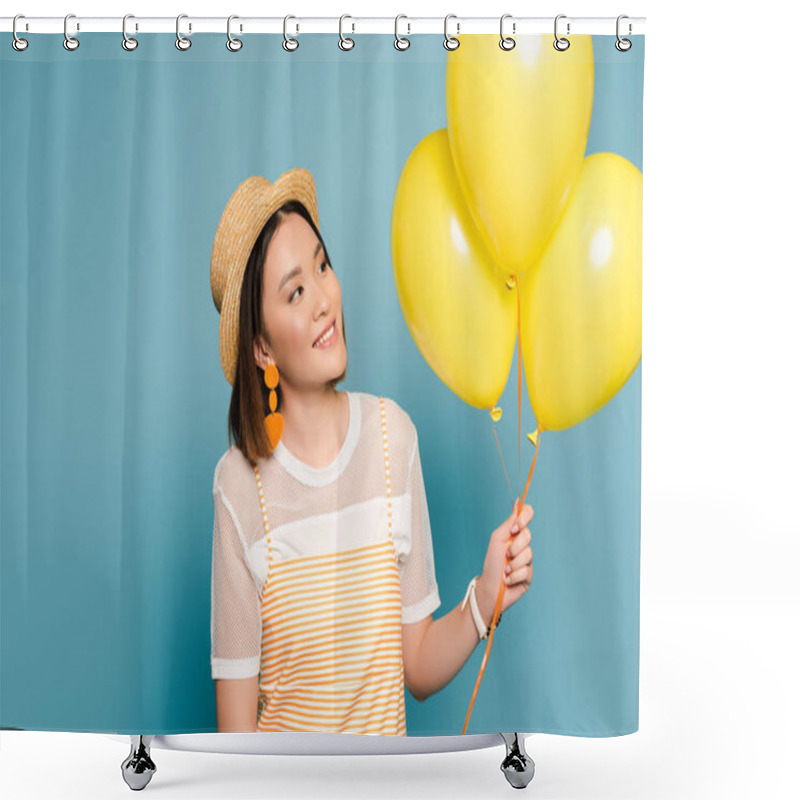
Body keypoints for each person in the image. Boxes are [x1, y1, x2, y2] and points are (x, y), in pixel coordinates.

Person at [208, 169, 533, 734]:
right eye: (295, 291)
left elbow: (417, 667)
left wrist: (485, 596)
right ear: (261, 347)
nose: (324, 299)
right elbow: (236, 739)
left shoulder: (394, 437)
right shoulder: (238, 484)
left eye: (322, 265)